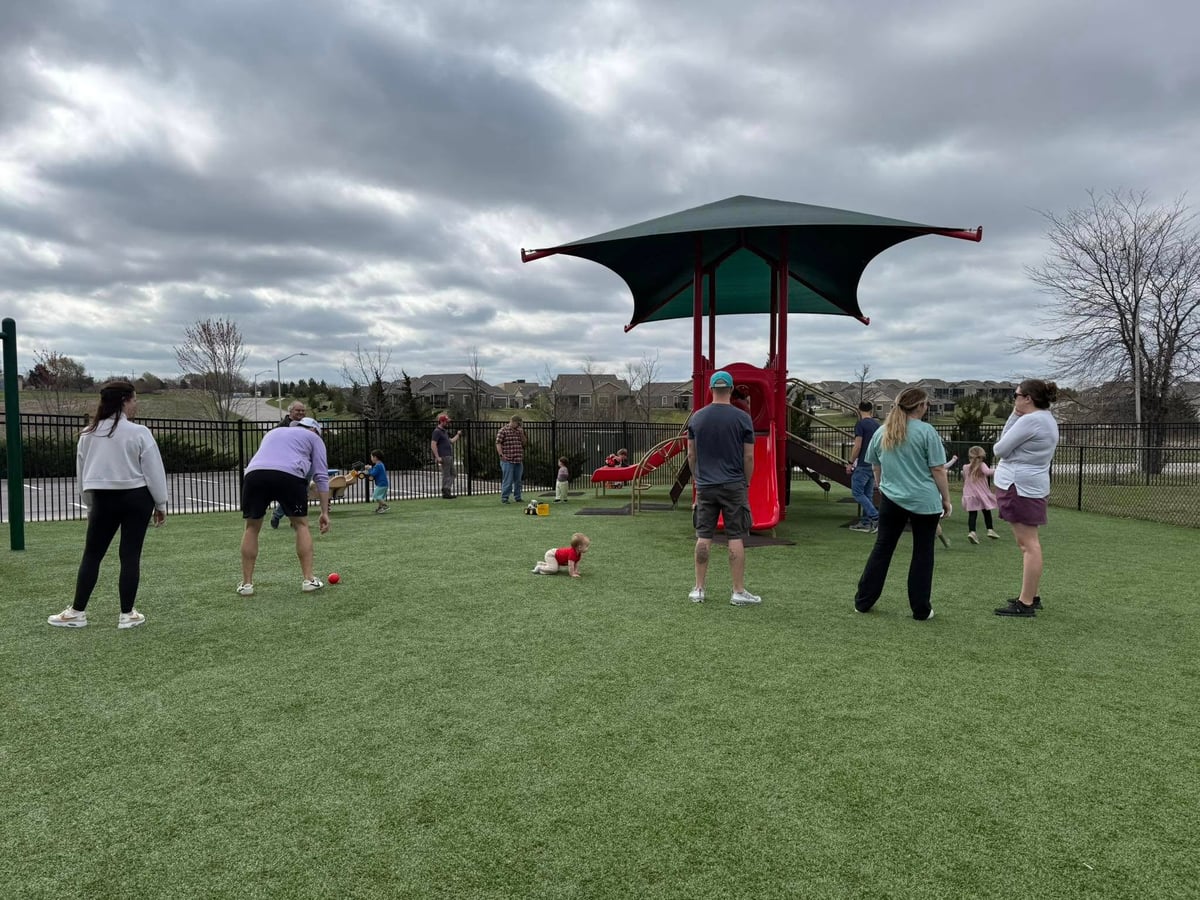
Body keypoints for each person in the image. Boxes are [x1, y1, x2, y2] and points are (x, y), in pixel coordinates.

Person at [48, 381, 169, 630]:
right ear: (125, 400)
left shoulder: (87, 434)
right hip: (137, 498)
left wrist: (90, 504)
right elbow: (154, 471)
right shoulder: (139, 432)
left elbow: (83, 476)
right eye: (134, 399)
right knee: (130, 555)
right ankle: (127, 615)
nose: (136, 404)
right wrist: (161, 503)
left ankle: (77, 612)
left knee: (92, 554)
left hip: (103, 499)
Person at [853, 387, 951, 621]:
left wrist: (883, 486)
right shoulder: (926, 431)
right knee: (923, 553)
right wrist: (946, 499)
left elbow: (876, 466)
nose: (927, 408)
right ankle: (921, 609)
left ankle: (863, 602)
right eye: (926, 404)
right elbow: (938, 469)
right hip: (924, 502)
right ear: (919, 406)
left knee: (883, 548)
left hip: (891, 499)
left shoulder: (882, 431)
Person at [687, 371, 761, 607]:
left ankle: (698, 589)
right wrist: (746, 482)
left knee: (703, 535)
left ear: (710, 389)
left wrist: (697, 479)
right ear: (730, 390)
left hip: (706, 485)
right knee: (736, 536)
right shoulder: (742, 418)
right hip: (734, 485)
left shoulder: (697, 418)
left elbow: (691, 454)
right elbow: (748, 457)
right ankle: (737, 591)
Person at [237, 416, 331, 596]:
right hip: (289, 475)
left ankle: (246, 585)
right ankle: (309, 580)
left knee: (251, 528)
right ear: (315, 430)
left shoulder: (273, 432)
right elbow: (321, 476)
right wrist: (324, 512)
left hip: (254, 475)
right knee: (301, 525)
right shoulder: (314, 438)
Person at [992, 379, 1060, 617]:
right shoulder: (1045, 419)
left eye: (1016, 395)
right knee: (1030, 544)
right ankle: (1032, 595)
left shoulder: (1032, 420)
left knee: (1028, 545)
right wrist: (1015, 414)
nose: (1015, 400)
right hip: (1029, 485)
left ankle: (1026, 602)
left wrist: (1014, 416)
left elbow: (999, 448)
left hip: (1020, 486)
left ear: (1028, 398)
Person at [269, 400, 308, 529]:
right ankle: (278, 515)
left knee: (302, 492)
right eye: (298, 410)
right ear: (290, 411)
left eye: (302, 410)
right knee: (288, 492)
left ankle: (295, 518)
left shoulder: (306, 425)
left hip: (303, 464)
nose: (301, 413)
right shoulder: (281, 427)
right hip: (286, 465)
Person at [846, 400, 881, 533]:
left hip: (863, 463)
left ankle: (875, 516)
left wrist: (850, 462)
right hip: (874, 464)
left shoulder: (860, 425)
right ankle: (866, 522)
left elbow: (858, 445)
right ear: (871, 410)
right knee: (868, 493)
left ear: (858, 409)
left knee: (857, 492)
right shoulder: (877, 425)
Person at [961, 446, 1000, 544]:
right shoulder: (982, 465)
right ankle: (990, 529)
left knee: (972, 514)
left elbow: (965, 478)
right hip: (981, 493)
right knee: (986, 511)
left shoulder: (965, 467)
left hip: (969, 494)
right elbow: (988, 472)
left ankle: (972, 532)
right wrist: (1001, 469)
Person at [496, 415, 527, 504]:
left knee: (518, 480)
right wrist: (501, 455)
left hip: (518, 459)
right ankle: (505, 497)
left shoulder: (519, 431)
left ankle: (518, 497)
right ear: (513, 422)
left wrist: (521, 434)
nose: (519, 425)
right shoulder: (503, 430)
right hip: (508, 460)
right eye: (518, 423)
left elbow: (524, 443)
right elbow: (498, 443)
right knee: (508, 480)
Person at [430, 414, 461, 499]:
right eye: (446, 422)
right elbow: (433, 445)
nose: (448, 423)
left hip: (449, 455)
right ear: (441, 422)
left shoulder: (444, 431)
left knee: (453, 473)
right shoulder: (437, 431)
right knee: (446, 474)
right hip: (444, 456)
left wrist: (458, 435)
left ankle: (446, 489)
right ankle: (446, 491)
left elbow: (450, 441)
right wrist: (437, 457)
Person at [366, 449, 389, 514]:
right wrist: (371, 468)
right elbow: (376, 471)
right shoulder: (381, 464)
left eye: (371, 457)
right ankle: (380, 508)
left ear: (375, 457)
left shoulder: (378, 466)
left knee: (376, 496)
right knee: (380, 497)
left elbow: (373, 474)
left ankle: (385, 506)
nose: (371, 458)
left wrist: (369, 469)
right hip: (384, 484)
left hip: (381, 484)